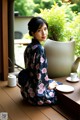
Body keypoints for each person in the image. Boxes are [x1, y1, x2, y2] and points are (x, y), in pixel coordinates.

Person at [18, 16, 61, 105]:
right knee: (60, 89)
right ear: (32, 32)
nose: (43, 33)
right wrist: (48, 86)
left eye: (45, 29)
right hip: (36, 95)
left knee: (56, 83)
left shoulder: (29, 47)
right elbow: (39, 76)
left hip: (25, 91)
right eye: (39, 30)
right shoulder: (39, 49)